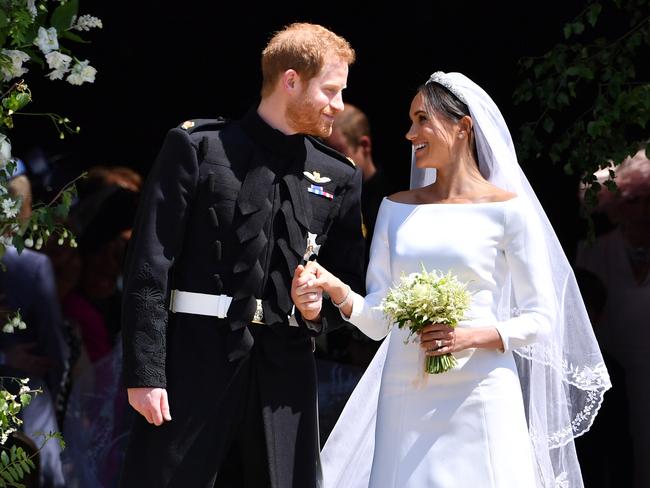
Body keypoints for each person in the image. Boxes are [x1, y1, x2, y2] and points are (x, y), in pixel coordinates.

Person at [292, 72, 611, 487]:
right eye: (410, 121)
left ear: (463, 127)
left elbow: (541, 318)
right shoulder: (394, 208)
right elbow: (377, 321)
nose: (410, 134)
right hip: (405, 389)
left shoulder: (508, 212)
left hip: (481, 388)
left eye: (422, 120)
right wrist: (340, 292)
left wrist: (469, 336)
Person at [119, 22, 364, 488]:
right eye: (330, 90)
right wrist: (145, 372)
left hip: (285, 378)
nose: (339, 105)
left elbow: (350, 283)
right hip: (193, 364)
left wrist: (318, 308)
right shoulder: (198, 147)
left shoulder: (339, 176)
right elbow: (150, 268)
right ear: (291, 80)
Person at [575, 147, 650, 488]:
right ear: (616, 205)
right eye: (634, 201)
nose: (644, 211)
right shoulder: (594, 252)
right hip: (611, 375)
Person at [0, 164, 68, 488]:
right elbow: (56, 349)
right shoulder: (32, 265)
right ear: (24, 211)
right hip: (26, 394)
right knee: (44, 475)